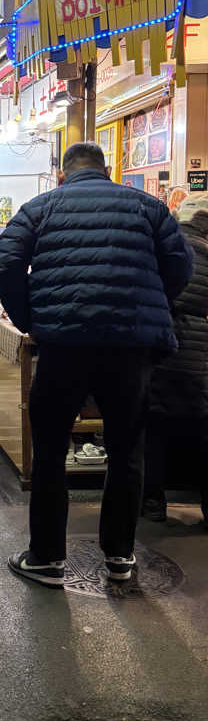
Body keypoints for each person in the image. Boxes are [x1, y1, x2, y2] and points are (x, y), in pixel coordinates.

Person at [0, 142, 193, 587]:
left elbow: (5, 263)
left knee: (48, 450)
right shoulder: (147, 207)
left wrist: (30, 320)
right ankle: (120, 555)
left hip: (63, 344)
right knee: (126, 450)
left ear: (63, 175)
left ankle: (46, 558)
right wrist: (149, 305)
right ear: (106, 171)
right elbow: (181, 264)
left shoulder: (39, 208)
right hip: (130, 348)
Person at [142, 193, 208, 527]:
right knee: (202, 429)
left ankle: (152, 502)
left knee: (153, 428)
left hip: (161, 345)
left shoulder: (164, 248)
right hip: (200, 353)